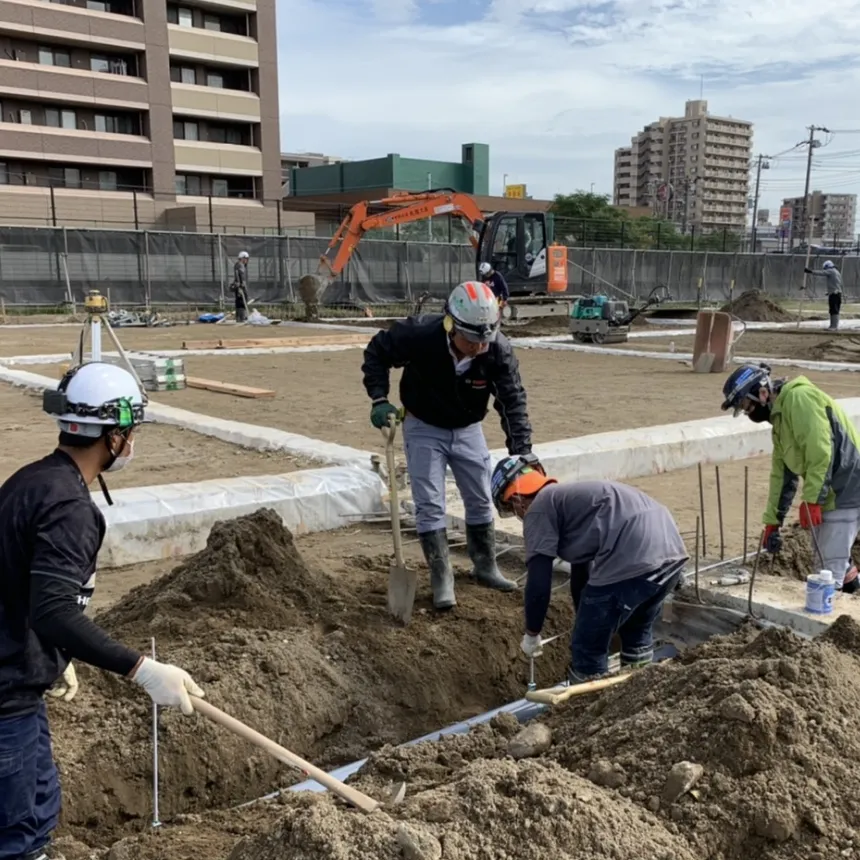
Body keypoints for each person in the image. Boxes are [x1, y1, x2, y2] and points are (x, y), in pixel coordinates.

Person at [0, 362, 204, 860]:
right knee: (18, 838)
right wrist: (142, 668)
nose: (132, 442)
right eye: (129, 432)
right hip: (6, 700)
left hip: (19, 682)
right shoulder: (69, 508)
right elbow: (52, 610)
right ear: (113, 438)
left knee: (36, 813)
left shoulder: (31, 481)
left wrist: (53, 657)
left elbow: (19, 587)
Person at [361, 280, 537, 609]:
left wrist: (522, 450)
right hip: (423, 423)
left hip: (468, 427)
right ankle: (442, 578)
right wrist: (379, 399)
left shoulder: (496, 348)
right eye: (471, 339)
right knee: (429, 503)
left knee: (481, 498)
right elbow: (376, 354)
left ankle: (486, 567)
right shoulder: (418, 335)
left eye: (485, 339)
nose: (479, 347)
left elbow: (512, 399)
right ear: (450, 324)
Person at [491, 458, 688, 684]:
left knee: (587, 649)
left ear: (516, 500)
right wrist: (584, 617)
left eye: (510, 509)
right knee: (635, 629)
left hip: (633, 558)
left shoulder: (538, 508)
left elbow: (538, 581)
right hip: (670, 552)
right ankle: (640, 689)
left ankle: (587, 710)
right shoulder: (570, 500)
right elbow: (581, 574)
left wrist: (532, 632)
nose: (517, 515)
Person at [721, 362, 860, 593]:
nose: (748, 413)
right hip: (834, 488)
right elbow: (782, 476)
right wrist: (773, 521)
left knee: (828, 569)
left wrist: (813, 499)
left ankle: (836, 624)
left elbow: (821, 452)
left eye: (746, 406)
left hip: (847, 487)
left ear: (762, 393)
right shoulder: (780, 419)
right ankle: (853, 590)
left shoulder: (799, 399)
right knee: (827, 556)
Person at [804, 259, 843, 330]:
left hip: (834, 294)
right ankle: (834, 326)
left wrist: (810, 271)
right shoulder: (837, 272)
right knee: (834, 309)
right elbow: (837, 284)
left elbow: (822, 273)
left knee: (833, 310)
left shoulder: (831, 271)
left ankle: (833, 326)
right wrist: (830, 291)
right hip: (837, 293)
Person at [231, 250, 250, 322]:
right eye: (246, 259)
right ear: (243, 258)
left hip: (238, 285)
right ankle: (242, 317)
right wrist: (241, 285)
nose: (247, 261)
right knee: (242, 302)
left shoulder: (237, 265)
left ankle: (239, 317)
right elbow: (240, 276)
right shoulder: (240, 265)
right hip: (240, 286)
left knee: (239, 302)